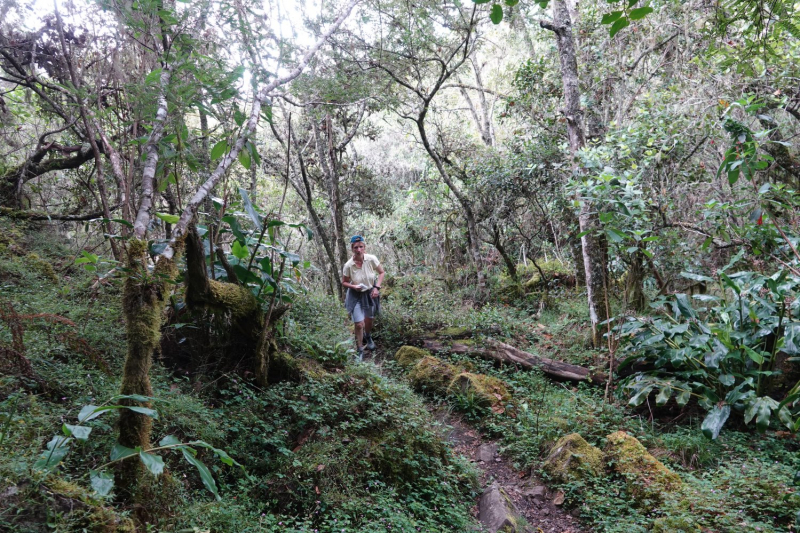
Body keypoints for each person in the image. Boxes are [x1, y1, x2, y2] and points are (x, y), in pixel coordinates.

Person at [341, 235, 385, 361]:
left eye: (361, 247)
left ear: (364, 247)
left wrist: (377, 287)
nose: (359, 250)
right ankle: (360, 350)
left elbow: (381, 272)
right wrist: (354, 286)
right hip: (355, 295)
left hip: (370, 292)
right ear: (352, 249)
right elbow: (344, 282)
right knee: (359, 324)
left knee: (369, 319)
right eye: (356, 247)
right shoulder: (348, 265)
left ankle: (368, 336)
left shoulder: (371, 259)